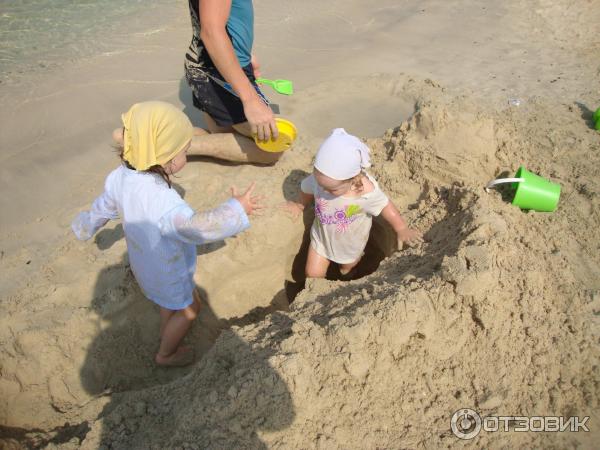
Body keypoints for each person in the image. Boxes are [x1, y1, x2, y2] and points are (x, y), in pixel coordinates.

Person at [73, 101, 263, 366]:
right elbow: (198, 227)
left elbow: (103, 207)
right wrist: (236, 209)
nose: (186, 156)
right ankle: (166, 353)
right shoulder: (164, 202)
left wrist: (84, 226)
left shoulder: (119, 177)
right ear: (165, 158)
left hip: (142, 266)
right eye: (184, 151)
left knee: (167, 305)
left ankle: (166, 327)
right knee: (190, 308)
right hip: (168, 270)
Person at [284, 128, 423, 279]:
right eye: (320, 184)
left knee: (346, 269)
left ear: (353, 179)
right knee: (312, 274)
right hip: (321, 239)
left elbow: (385, 206)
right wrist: (299, 205)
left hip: (350, 246)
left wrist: (401, 228)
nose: (323, 190)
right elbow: (307, 190)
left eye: (332, 189)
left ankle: (346, 280)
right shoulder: (321, 180)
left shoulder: (365, 193)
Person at [183, 0, 281, 164]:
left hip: (208, 67)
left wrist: (245, 54)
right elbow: (212, 33)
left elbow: (221, 17)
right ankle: (168, 147)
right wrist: (250, 99)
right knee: (273, 147)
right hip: (216, 74)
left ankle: (156, 134)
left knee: (221, 135)